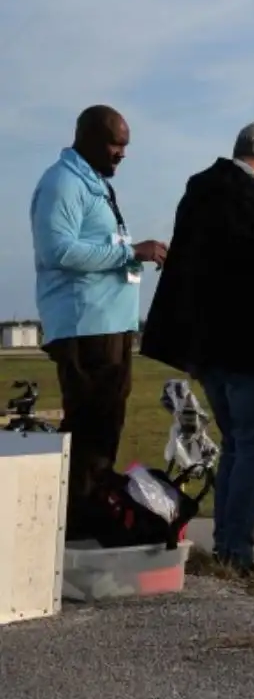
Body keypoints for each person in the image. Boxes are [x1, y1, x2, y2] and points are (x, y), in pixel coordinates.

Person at [140, 121, 254, 572]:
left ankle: (227, 543)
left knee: (234, 443)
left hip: (203, 344)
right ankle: (236, 549)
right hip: (251, 344)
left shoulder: (199, 191)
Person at [29, 106, 167, 538]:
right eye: (114, 143)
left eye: (125, 145)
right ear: (85, 137)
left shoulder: (94, 185)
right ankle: (76, 529)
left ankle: (88, 519)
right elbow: (59, 252)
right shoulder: (63, 183)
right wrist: (131, 252)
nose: (121, 153)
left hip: (107, 325)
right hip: (85, 326)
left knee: (104, 427)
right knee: (90, 430)